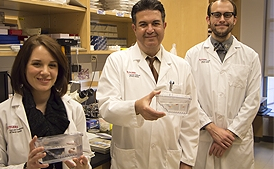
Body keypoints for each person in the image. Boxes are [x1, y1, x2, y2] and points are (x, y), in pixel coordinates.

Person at [96, 0, 200, 168]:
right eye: (143, 24)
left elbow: (191, 119)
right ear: (134, 28)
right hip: (130, 160)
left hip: (168, 160)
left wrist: (187, 161)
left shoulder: (182, 67)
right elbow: (106, 107)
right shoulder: (117, 61)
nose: (150, 30)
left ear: (164, 26)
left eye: (155, 23)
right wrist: (136, 107)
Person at [0, 35, 93, 169]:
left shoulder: (74, 109)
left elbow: (85, 155)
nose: (45, 72)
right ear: (23, 67)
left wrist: (83, 167)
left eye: (52, 65)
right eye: (37, 64)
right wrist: (25, 167)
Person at [185, 0, 261, 169]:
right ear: (208, 19)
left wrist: (229, 135)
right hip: (204, 137)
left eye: (227, 15)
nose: (222, 19)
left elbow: (253, 101)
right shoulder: (192, 55)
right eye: (216, 14)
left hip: (235, 142)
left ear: (235, 19)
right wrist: (212, 128)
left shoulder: (250, 57)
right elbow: (189, 97)